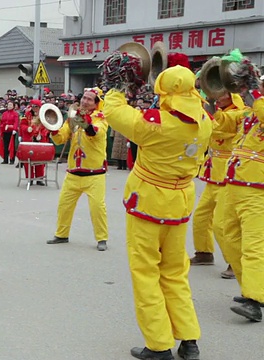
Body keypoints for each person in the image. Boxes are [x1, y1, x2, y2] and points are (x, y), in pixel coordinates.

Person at [103, 65, 212, 360]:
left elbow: (113, 111)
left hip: (148, 205)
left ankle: (159, 344)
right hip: (179, 205)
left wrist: (117, 84)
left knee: (146, 274)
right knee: (176, 274)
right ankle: (189, 340)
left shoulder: (154, 123)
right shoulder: (205, 121)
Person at [190, 92, 245, 281]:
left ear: (232, 96)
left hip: (228, 176)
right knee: (200, 217)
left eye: (222, 94)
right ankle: (204, 253)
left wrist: (210, 109)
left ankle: (234, 262)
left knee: (221, 224)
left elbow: (221, 124)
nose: (218, 97)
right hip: (213, 174)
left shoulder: (240, 113)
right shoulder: (219, 111)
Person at [221, 83, 264, 322]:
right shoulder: (252, 111)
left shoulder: (261, 107)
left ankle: (254, 300)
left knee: (253, 245)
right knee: (228, 237)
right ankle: (253, 287)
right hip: (235, 183)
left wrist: (255, 92)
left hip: (258, 189)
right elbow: (224, 126)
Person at [47, 89, 109, 250]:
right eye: (84, 98)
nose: (84, 101)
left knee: (97, 208)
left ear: (96, 103)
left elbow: (95, 133)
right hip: (73, 173)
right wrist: (52, 128)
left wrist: (83, 121)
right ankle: (61, 234)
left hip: (94, 174)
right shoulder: (73, 119)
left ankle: (102, 238)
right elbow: (61, 138)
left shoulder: (100, 118)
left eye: (89, 99)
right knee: (64, 205)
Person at [19, 99, 50, 186]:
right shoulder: (27, 115)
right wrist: (27, 129)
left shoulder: (43, 115)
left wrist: (43, 134)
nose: (34, 108)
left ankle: (39, 178)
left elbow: (46, 126)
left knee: (40, 160)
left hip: (40, 139)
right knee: (28, 160)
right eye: (33, 106)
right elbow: (22, 125)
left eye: (36, 106)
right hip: (29, 139)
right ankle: (30, 178)